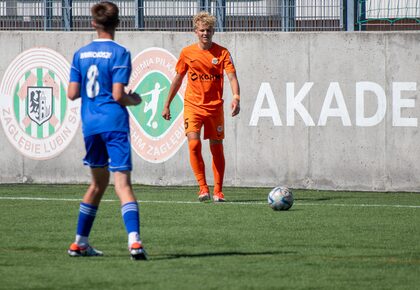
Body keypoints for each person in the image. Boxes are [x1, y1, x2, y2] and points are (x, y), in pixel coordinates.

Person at [66, 1, 147, 260]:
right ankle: (134, 242)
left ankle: (79, 243)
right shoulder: (120, 52)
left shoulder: (80, 53)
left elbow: (72, 93)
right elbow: (117, 95)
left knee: (97, 184)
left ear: (93, 23)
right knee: (122, 185)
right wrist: (134, 99)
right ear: (118, 23)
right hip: (113, 124)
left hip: (91, 125)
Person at [162, 11, 241, 202]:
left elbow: (231, 76)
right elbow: (178, 79)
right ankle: (203, 188)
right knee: (194, 143)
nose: (206, 33)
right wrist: (167, 104)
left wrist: (236, 97)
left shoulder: (222, 53)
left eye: (209, 30)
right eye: (202, 30)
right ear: (195, 31)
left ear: (213, 31)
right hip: (193, 106)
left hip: (215, 108)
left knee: (216, 148)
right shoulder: (187, 53)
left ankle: (218, 191)